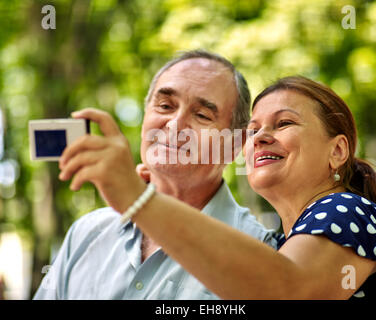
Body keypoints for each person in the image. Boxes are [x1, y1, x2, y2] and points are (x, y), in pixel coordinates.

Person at [56, 75, 376, 299]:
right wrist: (166, 198)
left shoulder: (345, 210)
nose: (261, 137)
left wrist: (140, 200)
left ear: (337, 150)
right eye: (252, 130)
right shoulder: (283, 243)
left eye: (284, 123)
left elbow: (287, 292)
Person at [33, 50, 278, 300]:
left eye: (202, 115)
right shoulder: (87, 232)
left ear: (234, 146)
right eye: (165, 106)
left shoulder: (261, 253)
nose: (175, 124)